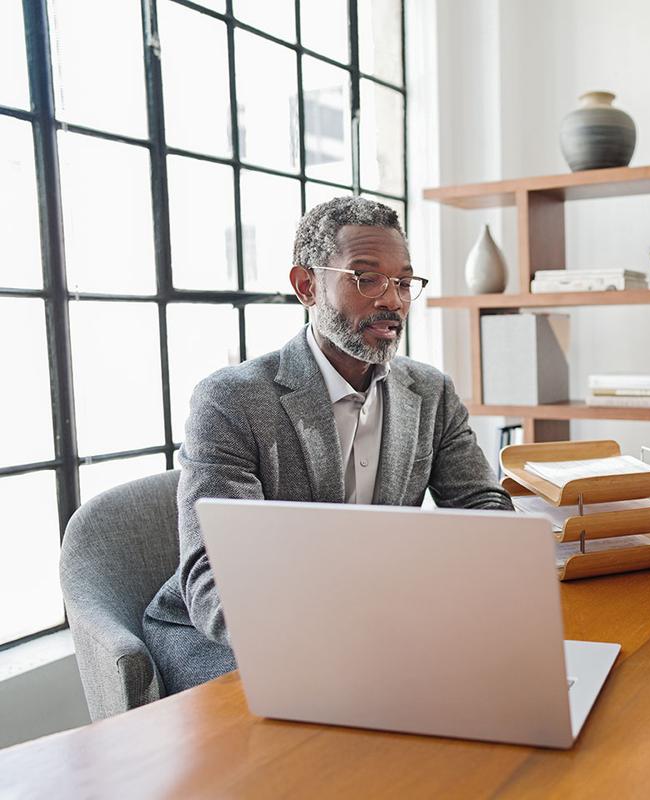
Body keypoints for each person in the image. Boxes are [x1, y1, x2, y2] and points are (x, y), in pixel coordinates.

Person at [144, 196, 511, 694]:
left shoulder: (430, 392)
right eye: (366, 277)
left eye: (403, 282)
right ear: (306, 286)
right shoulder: (231, 399)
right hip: (229, 638)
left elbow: (479, 504)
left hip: (383, 626)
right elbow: (216, 573)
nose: (393, 301)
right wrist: (343, 639)